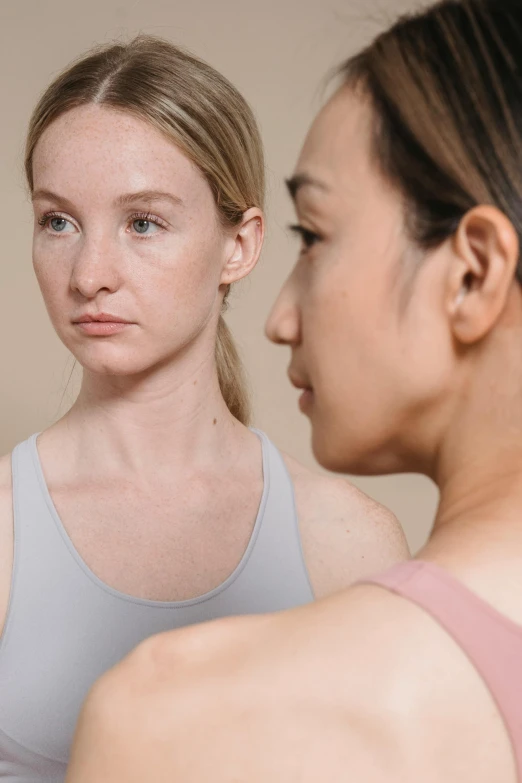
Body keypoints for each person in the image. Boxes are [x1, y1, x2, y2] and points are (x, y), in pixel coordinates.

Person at [63, 1, 522, 782]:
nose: (279, 319)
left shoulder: (165, 716)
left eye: (314, 236)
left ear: (474, 272)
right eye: (57, 221)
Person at [0, 34, 407, 783]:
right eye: (59, 221)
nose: (90, 274)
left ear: (239, 246)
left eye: (142, 222)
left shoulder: (349, 541)